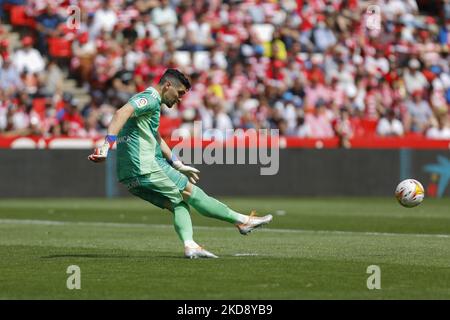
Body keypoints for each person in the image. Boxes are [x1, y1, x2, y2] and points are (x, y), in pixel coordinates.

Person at [88, 69, 273, 259]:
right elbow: (120, 113)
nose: (180, 99)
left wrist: (176, 163)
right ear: (167, 85)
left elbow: (155, 136)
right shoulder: (150, 98)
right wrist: (106, 146)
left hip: (128, 175)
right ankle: (242, 221)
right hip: (145, 166)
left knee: (178, 204)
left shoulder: (152, 106)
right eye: (180, 93)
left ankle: (191, 245)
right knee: (192, 193)